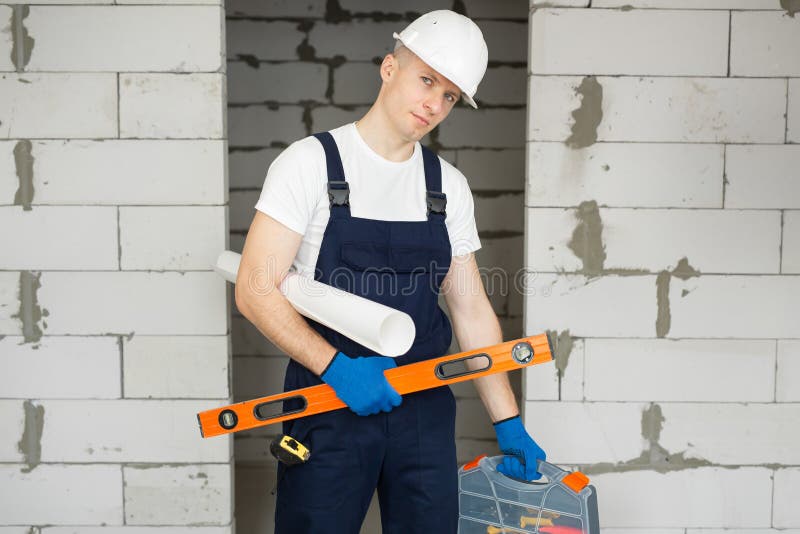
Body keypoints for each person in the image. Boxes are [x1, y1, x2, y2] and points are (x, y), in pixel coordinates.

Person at [235, 10, 546, 534]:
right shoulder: (309, 164)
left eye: (449, 95)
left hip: (422, 411)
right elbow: (254, 289)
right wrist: (336, 368)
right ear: (388, 68)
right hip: (328, 404)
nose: (433, 103)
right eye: (427, 80)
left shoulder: (447, 187)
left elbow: (469, 307)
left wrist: (507, 420)